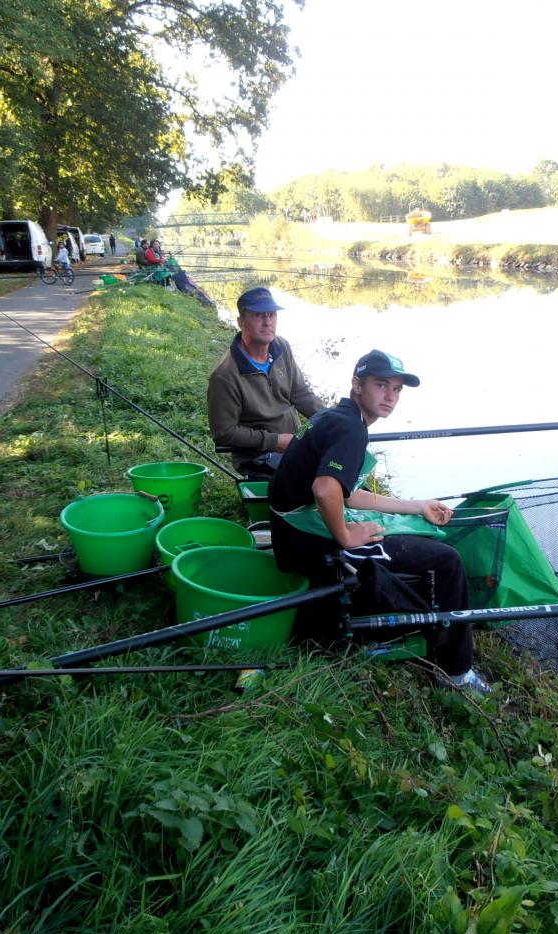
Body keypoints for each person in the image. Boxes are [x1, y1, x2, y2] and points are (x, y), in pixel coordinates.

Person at [267, 349, 491, 694]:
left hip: (291, 534)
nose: (390, 396)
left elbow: (348, 494)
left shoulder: (340, 417)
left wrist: (417, 507)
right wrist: (344, 535)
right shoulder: (351, 429)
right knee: (447, 560)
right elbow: (326, 489)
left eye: (397, 389)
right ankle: (457, 672)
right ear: (357, 385)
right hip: (305, 545)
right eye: (381, 385)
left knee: (404, 534)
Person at [207, 286, 323, 478]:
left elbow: (301, 394)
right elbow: (224, 433)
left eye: (272, 315)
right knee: (319, 478)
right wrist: (274, 441)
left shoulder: (281, 346)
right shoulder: (225, 375)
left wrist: (331, 419)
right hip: (257, 456)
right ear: (240, 322)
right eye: (259, 315)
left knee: (338, 465)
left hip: (293, 444)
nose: (267, 322)